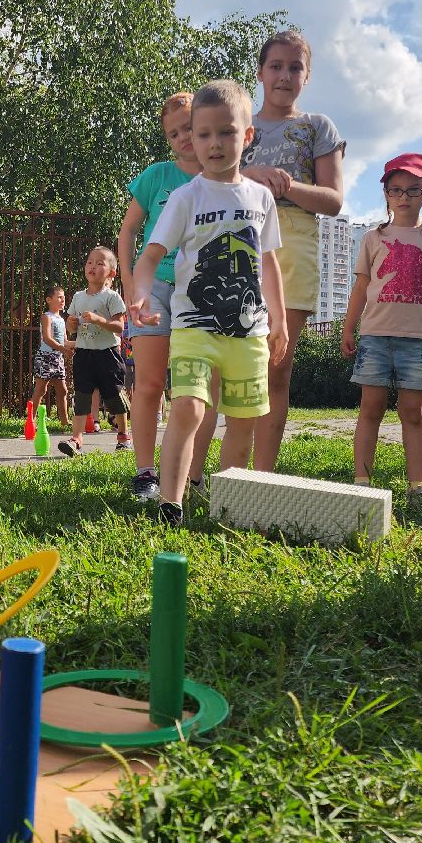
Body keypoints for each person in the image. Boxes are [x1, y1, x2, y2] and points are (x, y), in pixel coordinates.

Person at [128, 79, 287, 526]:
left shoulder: (261, 197)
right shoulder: (185, 197)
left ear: (247, 135)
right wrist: (140, 294)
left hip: (249, 334)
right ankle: (171, 503)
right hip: (193, 327)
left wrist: (278, 320)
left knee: (242, 420)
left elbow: (268, 263)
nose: (214, 143)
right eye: (203, 134)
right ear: (193, 140)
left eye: (226, 132)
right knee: (189, 407)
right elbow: (150, 257)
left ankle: (229, 507)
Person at [240, 29, 346, 473]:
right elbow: (210, 178)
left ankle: (262, 475)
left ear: (307, 75)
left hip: (295, 240)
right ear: (260, 72)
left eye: (295, 67)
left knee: (276, 365)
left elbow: (333, 200)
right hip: (239, 239)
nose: (284, 75)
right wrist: (250, 174)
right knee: (234, 361)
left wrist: (286, 185)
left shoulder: (318, 126)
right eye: (276, 66)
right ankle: (223, 470)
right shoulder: (239, 125)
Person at [117, 92, 218, 501]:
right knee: (150, 382)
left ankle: (192, 475)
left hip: (201, 292)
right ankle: (145, 473)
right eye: (173, 133)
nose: (182, 138)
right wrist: (129, 282)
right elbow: (128, 231)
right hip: (153, 289)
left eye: (188, 127)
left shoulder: (222, 177)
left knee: (197, 390)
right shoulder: (157, 176)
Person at [341, 154, 422, 510]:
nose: (404, 197)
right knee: (370, 409)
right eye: (396, 190)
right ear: (387, 194)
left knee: (412, 413)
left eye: (414, 190)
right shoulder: (374, 238)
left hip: (417, 342)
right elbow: (361, 287)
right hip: (374, 337)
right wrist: (349, 327)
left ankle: (418, 487)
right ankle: (361, 482)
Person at [58, 247, 130, 456]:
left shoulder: (112, 297)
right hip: (84, 354)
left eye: (100, 263)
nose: (93, 266)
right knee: (82, 396)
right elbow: (71, 326)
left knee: (114, 395)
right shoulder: (78, 297)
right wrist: (71, 324)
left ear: (111, 273)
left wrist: (99, 320)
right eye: (90, 262)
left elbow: (119, 326)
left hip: (108, 354)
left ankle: (123, 435)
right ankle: (76, 439)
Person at [30, 283, 74, 429]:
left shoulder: (61, 319)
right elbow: (47, 339)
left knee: (63, 390)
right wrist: (63, 349)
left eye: (63, 297)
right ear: (49, 300)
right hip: (45, 357)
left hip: (57, 358)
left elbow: (65, 342)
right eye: (59, 297)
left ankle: (65, 421)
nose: (63, 300)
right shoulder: (46, 317)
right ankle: (31, 420)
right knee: (41, 389)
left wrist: (83, 343)